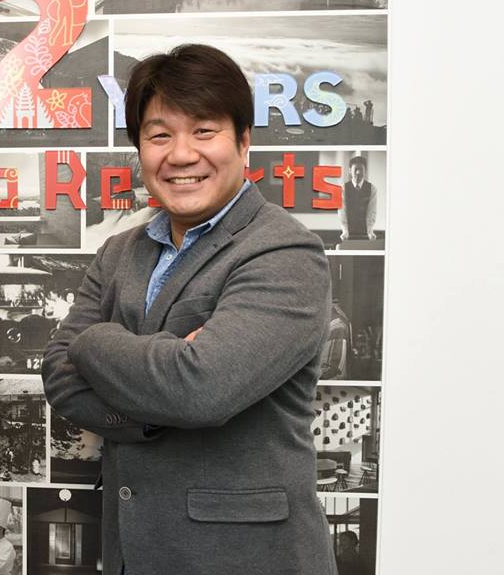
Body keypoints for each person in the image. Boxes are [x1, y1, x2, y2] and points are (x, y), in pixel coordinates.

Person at [42, 44, 336, 574]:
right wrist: (157, 400)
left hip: (244, 560)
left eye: (203, 131)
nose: (180, 155)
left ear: (243, 141)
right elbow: (59, 377)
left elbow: (201, 390)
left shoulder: (285, 252)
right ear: (139, 149)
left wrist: (93, 342)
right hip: (133, 552)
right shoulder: (118, 251)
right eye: (159, 135)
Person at [339, 155, 378, 241]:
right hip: (347, 233)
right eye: (355, 169)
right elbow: (342, 211)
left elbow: (372, 212)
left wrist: (370, 231)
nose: (358, 172)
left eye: (361, 169)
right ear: (350, 171)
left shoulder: (372, 189)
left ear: (365, 171)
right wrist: (345, 231)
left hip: (365, 233)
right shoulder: (343, 189)